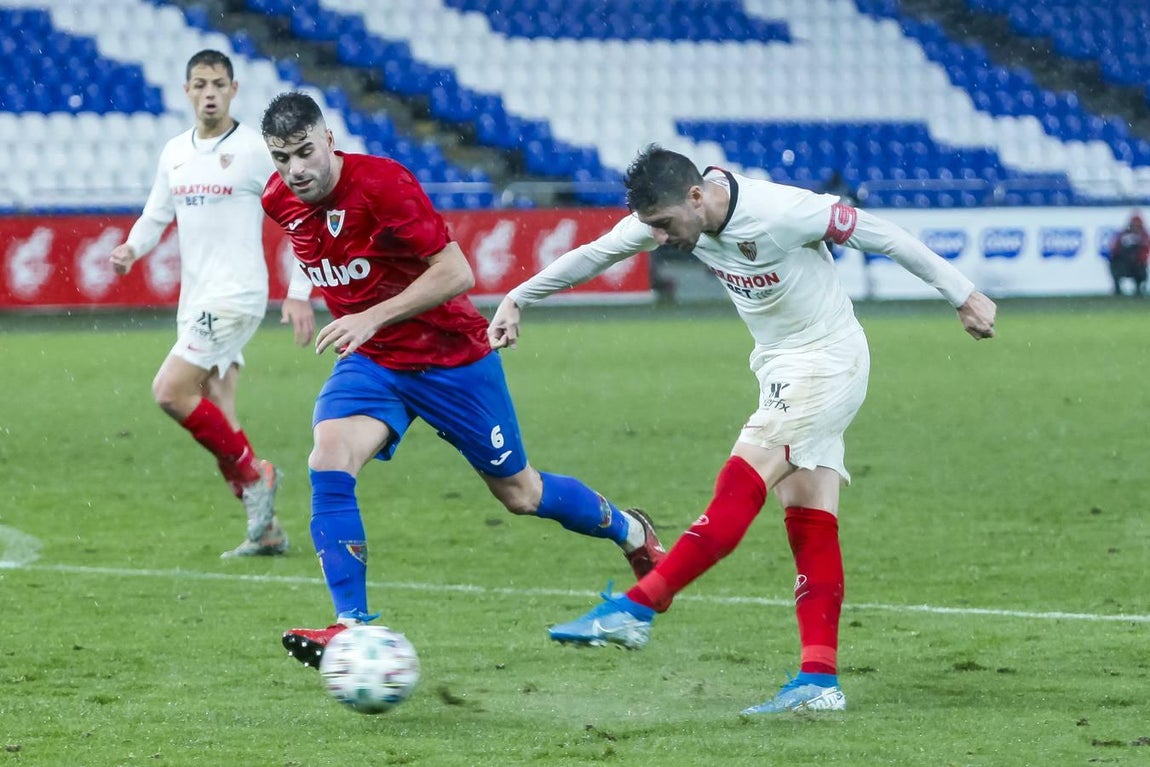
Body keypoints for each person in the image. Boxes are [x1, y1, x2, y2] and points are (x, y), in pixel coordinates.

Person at [488, 145, 997, 715]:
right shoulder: (672, 216)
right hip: (781, 364)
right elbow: (595, 254)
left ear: (697, 196)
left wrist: (963, 294)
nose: (658, 237)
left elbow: (882, 234)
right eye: (650, 227)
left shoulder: (781, 211)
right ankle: (818, 680)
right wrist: (516, 297)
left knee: (741, 479)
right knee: (809, 518)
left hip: (825, 361)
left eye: (663, 224)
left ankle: (638, 609)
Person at [257, 92, 665, 668]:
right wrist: (310, 298)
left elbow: (456, 272)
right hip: (374, 362)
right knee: (328, 459)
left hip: (451, 359)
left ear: (328, 140)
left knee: (521, 494)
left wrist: (370, 314)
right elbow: (314, 249)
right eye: (281, 158)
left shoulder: (384, 185)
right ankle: (351, 626)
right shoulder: (280, 200)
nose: (295, 170)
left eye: (304, 151)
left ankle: (631, 532)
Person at [110, 50, 316, 558]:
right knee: (219, 408)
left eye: (218, 84)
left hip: (237, 294)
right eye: (200, 83)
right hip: (196, 298)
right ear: (186, 90)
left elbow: (302, 219)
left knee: (169, 391)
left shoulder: (253, 151)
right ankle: (265, 530)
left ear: (233, 89)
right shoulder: (175, 152)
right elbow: (155, 215)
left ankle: (255, 475)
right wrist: (132, 248)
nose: (209, 92)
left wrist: (298, 292)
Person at [1108, 212, 1149, 296]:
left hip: (1137, 264)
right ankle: (1117, 289)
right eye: (1134, 225)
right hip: (1123, 264)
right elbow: (1113, 248)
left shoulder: (1144, 236)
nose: (1136, 227)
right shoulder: (1123, 234)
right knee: (1114, 264)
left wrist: (1139, 257)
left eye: (1138, 225)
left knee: (1142, 268)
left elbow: (1146, 250)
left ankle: (1139, 289)